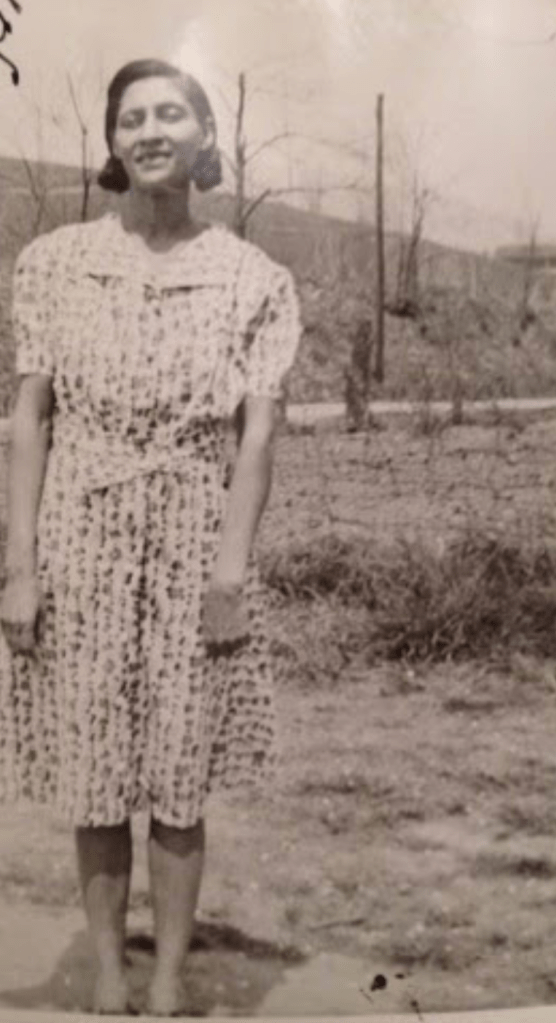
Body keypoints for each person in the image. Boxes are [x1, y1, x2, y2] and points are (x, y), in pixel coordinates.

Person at [0, 58, 300, 1016]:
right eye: (133, 118)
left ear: (206, 137)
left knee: (176, 770)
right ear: (114, 144)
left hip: (188, 538)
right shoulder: (53, 261)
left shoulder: (251, 277)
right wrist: (20, 569)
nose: (152, 130)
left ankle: (168, 978)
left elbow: (257, 433)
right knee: (95, 770)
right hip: (79, 535)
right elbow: (30, 420)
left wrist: (230, 568)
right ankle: (109, 970)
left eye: (173, 113)